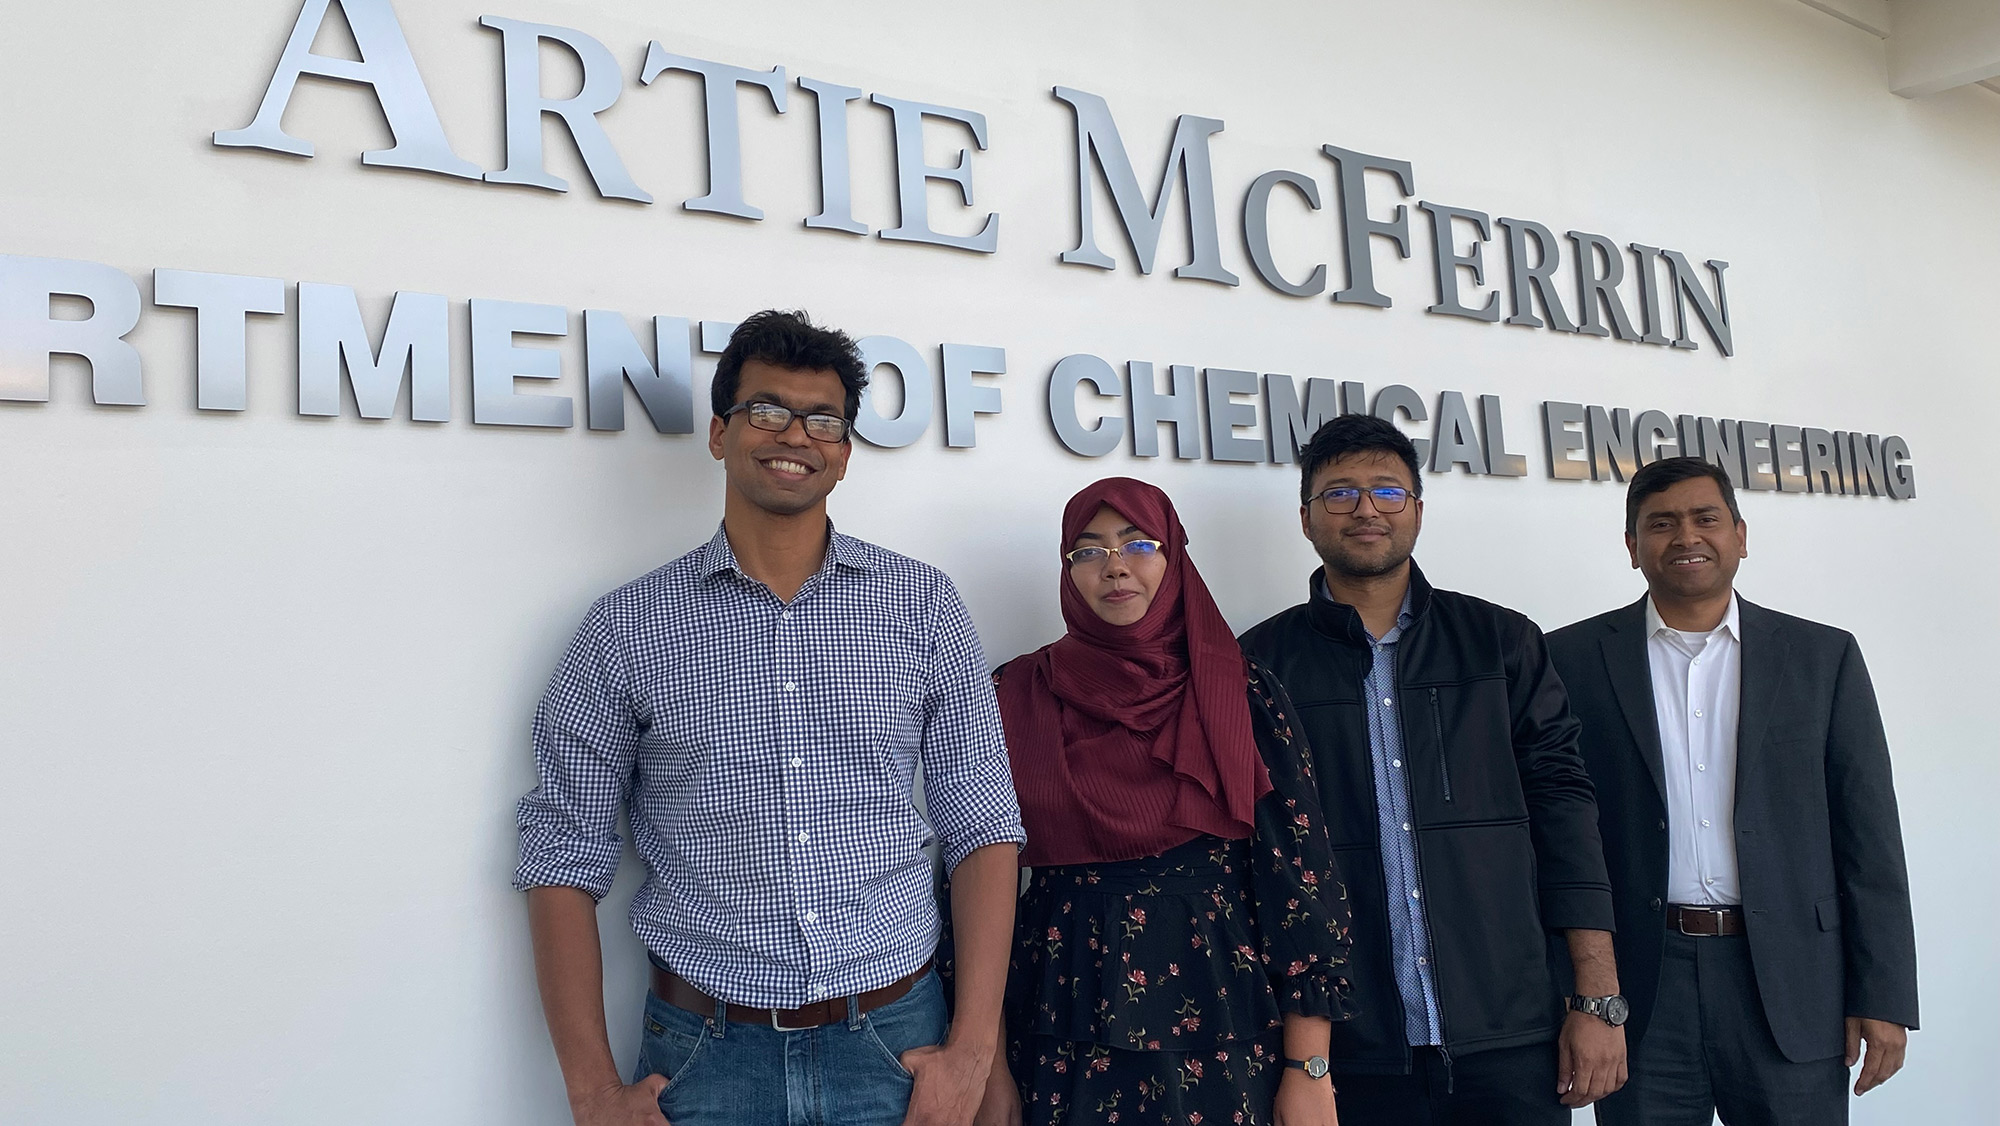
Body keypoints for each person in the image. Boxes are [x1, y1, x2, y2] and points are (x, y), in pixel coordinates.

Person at [513, 310, 1026, 1126]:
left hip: (897, 1051)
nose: (796, 433)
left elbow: (984, 826)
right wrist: (591, 1094)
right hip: (702, 1062)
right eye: (767, 409)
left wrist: (973, 1051)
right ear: (719, 432)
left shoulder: (922, 606)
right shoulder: (626, 628)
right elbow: (560, 854)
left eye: (823, 418)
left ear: (847, 452)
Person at [1237, 414, 1627, 1125]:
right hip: (1349, 1050)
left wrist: (1595, 998)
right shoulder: (1261, 664)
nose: (1365, 510)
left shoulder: (1500, 643)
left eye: (1387, 492)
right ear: (1305, 518)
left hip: (1508, 1037)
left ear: (1417, 509)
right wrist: (1299, 1055)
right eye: (1340, 494)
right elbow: (1258, 865)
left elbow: (1565, 812)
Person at [1547, 455, 1918, 1126]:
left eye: (1705, 518)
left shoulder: (1821, 658)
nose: (1686, 537)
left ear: (1740, 535)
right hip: (1641, 983)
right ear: (1633, 548)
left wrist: (1884, 991)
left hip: (1793, 980)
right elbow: (1555, 834)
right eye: (1661, 524)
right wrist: (1579, 996)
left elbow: (1869, 839)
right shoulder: (1568, 660)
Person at [974, 477, 1353, 1126]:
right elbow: (975, 875)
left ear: (1175, 554)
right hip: (1059, 1010)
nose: (1114, 565)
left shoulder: (1238, 688)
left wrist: (1309, 1070)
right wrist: (983, 1065)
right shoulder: (1014, 693)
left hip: (1219, 1012)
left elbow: (1301, 882)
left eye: (1138, 543)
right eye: (1086, 550)